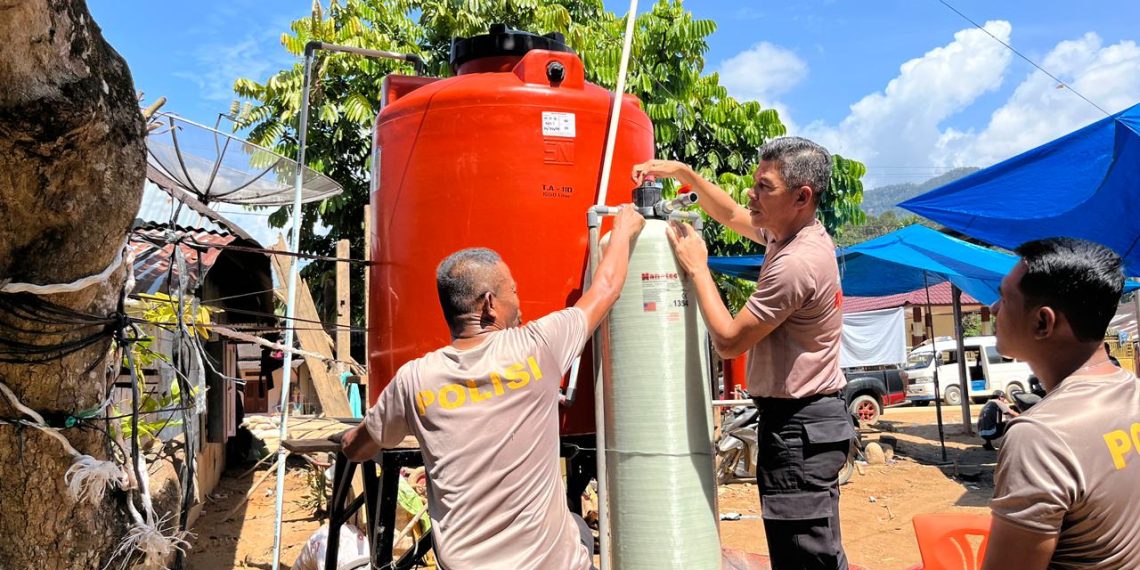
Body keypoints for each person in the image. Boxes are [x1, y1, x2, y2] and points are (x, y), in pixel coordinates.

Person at [339, 206, 645, 570]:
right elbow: (607, 288)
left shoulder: (414, 379)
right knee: (578, 531)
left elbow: (357, 448)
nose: (519, 300)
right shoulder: (537, 347)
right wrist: (624, 229)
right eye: (513, 291)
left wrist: (346, 439)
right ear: (488, 304)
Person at [634, 137, 854, 570]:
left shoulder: (797, 263)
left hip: (799, 425)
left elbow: (730, 340)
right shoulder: (790, 233)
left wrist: (698, 266)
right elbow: (732, 214)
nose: (751, 194)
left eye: (764, 187)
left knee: (805, 558)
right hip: (806, 422)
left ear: (802, 196)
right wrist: (686, 175)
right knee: (813, 550)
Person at [982, 238, 1140, 570]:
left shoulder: (1039, 436)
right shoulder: (1134, 392)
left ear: (1043, 322)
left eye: (1005, 298)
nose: (993, 309)